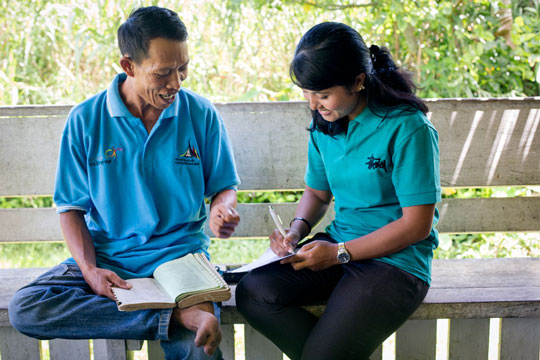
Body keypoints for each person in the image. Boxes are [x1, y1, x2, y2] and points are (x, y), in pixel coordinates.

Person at [8, 6, 240, 360]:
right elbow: (71, 209)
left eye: (183, 69)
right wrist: (90, 271)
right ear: (128, 66)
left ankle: (181, 316)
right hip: (109, 259)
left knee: (201, 348)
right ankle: (173, 316)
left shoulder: (201, 114)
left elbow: (223, 186)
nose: (175, 84)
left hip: (181, 259)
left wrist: (222, 208)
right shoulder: (86, 119)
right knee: (27, 308)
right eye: (163, 73)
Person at [235, 22, 441, 360]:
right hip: (339, 244)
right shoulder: (325, 125)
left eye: (323, 94)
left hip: (396, 262)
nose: (314, 105)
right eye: (307, 93)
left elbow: (416, 225)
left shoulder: (408, 127)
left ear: (358, 81)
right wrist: (295, 230)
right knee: (254, 291)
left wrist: (338, 253)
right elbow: (317, 194)